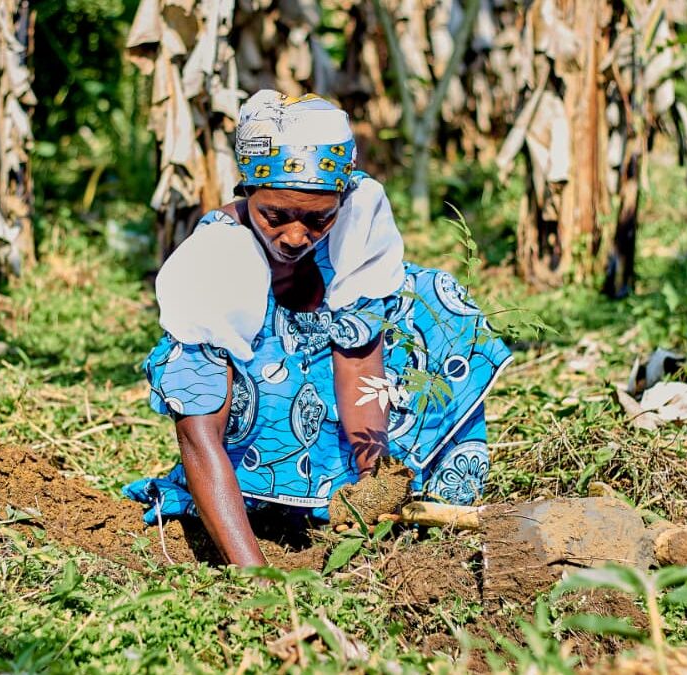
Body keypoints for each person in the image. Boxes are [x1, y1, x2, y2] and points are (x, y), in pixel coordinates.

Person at [124, 91, 512, 567]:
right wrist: (255, 577)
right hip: (251, 444)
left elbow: (360, 363)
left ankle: (348, 495)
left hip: (328, 419)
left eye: (317, 219)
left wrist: (376, 484)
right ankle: (267, 509)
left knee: (430, 297)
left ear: (340, 201)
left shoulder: (356, 222)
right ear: (248, 192)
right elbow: (199, 438)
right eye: (275, 215)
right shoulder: (216, 262)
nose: (294, 236)